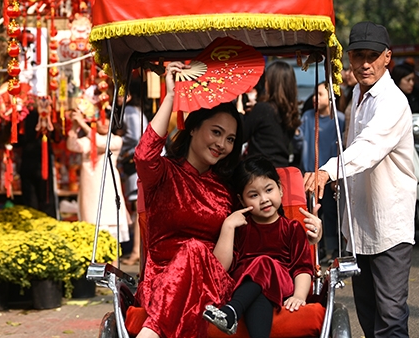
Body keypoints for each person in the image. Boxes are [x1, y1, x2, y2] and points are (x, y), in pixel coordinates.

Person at [133, 61, 322, 338]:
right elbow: (144, 155)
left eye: (231, 139)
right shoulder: (163, 175)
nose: (222, 144)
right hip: (161, 284)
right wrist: (171, 97)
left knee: (196, 249)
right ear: (194, 128)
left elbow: (263, 224)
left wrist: (312, 236)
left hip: (213, 282)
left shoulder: (226, 187)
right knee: (192, 250)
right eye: (216, 132)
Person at [305, 21, 416, 338]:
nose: (365, 64)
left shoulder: (392, 102)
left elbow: (369, 148)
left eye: (372, 56)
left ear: (387, 57)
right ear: (349, 59)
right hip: (358, 225)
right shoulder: (357, 93)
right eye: (358, 56)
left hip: (388, 227)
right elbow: (353, 146)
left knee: (391, 317)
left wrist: (327, 170)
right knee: (368, 315)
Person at [204, 156, 314, 337]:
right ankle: (235, 309)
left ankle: (232, 310)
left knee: (263, 263)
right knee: (259, 295)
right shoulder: (241, 227)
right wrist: (229, 226)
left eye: (268, 190)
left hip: (281, 284)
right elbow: (220, 268)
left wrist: (299, 296)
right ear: (242, 200)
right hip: (245, 288)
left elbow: (302, 267)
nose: (263, 199)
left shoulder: (292, 228)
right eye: (254, 195)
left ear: (280, 189)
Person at [67, 105, 130, 243]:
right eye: (101, 119)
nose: (105, 122)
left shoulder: (115, 140)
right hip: (90, 187)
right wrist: (74, 125)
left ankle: (113, 264)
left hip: (108, 185)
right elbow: (72, 145)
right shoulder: (88, 141)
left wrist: (83, 124)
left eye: (107, 119)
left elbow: (102, 142)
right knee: (91, 222)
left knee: (111, 231)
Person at [299, 82, 345, 261]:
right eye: (314, 94)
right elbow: (298, 141)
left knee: (330, 214)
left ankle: (331, 251)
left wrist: (336, 177)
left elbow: (340, 149)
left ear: (331, 98)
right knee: (310, 213)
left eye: (320, 94)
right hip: (309, 175)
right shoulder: (307, 117)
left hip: (328, 177)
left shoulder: (339, 119)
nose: (315, 98)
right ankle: (313, 251)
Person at [239, 61, 301, 167]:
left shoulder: (263, 108)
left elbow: (241, 136)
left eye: (266, 80)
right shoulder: (290, 111)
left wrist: (239, 112)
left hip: (260, 170)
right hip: (281, 168)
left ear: (272, 83)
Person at [116, 80, 148, 265]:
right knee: (138, 208)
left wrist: (122, 150)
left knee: (138, 207)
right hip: (136, 160)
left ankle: (137, 250)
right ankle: (137, 249)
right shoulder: (135, 111)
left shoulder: (129, 111)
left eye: (120, 94)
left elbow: (135, 137)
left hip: (136, 161)